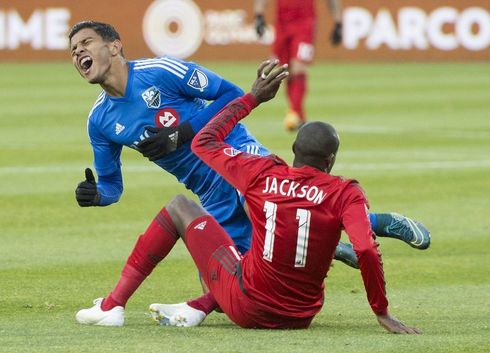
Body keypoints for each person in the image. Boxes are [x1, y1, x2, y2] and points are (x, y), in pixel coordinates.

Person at [70, 21, 429, 325]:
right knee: (231, 276)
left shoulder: (162, 71)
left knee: (289, 208)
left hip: (239, 157)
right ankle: (330, 245)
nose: (78, 53)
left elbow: (230, 94)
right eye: (72, 50)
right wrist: (97, 196)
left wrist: (184, 132)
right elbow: (112, 186)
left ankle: (378, 221)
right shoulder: (99, 122)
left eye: (85, 43)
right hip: (208, 191)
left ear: (114, 46)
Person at [148, 61, 421, 333]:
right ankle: (353, 231)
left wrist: (252, 98)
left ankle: (118, 303)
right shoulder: (345, 191)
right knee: (279, 229)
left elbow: (203, 141)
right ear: (331, 159)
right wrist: (381, 311)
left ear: (294, 148)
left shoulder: (263, 173)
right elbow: (365, 249)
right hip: (302, 317)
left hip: (248, 307)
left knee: (182, 211)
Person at [254, 0, 343, 131]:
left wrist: (338, 22)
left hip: (304, 23)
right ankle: (298, 116)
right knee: (285, 69)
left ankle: (294, 112)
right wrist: (259, 16)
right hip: (281, 24)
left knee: (298, 66)